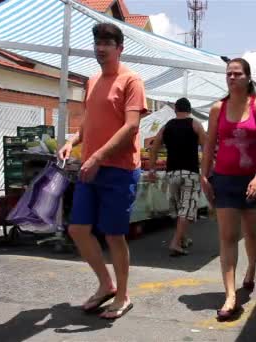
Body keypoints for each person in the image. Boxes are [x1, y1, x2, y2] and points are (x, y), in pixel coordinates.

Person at [58, 23, 146, 320]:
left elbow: (131, 125)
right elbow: (90, 120)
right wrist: (73, 140)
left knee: (113, 235)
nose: (100, 47)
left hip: (118, 170)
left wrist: (97, 156)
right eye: (97, 42)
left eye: (107, 42)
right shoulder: (93, 80)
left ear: (119, 48)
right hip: (90, 167)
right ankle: (106, 284)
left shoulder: (131, 80)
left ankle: (123, 296)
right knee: (78, 229)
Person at [200, 58, 256, 321]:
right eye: (228, 74)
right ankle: (230, 295)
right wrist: (204, 175)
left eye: (237, 74)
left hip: (251, 180)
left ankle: (251, 269)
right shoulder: (218, 108)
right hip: (225, 180)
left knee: (251, 234)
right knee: (227, 237)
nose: (231, 78)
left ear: (248, 78)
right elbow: (209, 145)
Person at [148, 97, 207, 256]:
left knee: (179, 208)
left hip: (172, 173)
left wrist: (152, 170)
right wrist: (207, 172)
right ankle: (175, 242)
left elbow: (153, 149)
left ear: (175, 110)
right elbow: (206, 147)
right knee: (187, 209)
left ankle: (183, 238)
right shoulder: (195, 124)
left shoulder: (166, 127)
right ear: (189, 110)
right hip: (190, 173)